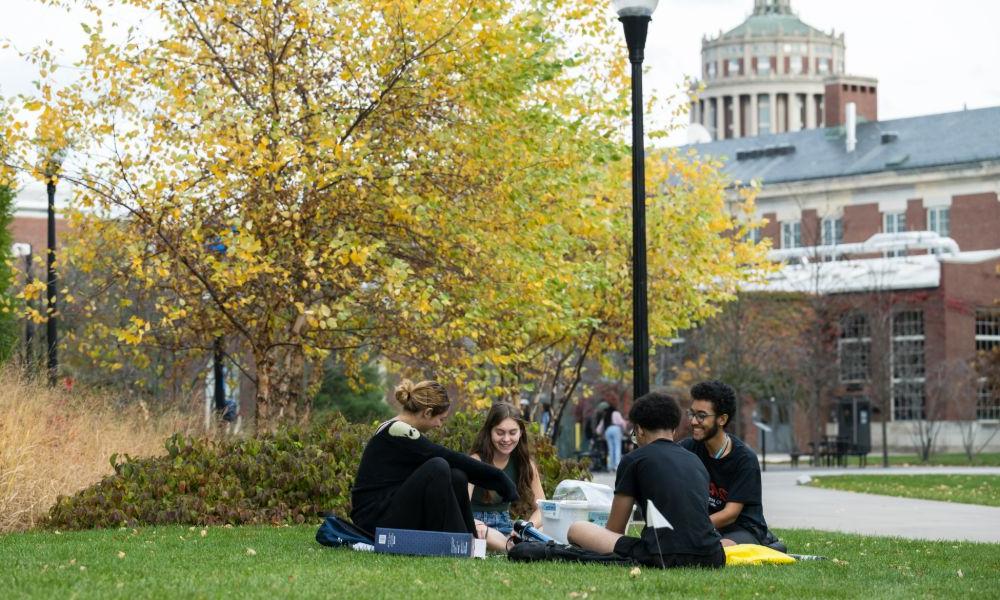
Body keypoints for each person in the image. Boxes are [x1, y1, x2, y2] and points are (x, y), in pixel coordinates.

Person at [567, 391, 725, 569]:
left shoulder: (634, 460)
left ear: (640, 429)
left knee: (577, 528)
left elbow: (615, 529)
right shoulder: (695, 461)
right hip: (712, 555)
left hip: (661, 554)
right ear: (673, 429)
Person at [350, 379, 518, 537]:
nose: (439, 425)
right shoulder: (398, 430)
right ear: (428, 412)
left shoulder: (398, 429)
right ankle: (456, 542)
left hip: (387, 510)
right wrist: (498, 477)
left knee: (457, 476)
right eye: (440, 419)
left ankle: (468, 540)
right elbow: (446, 456)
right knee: (438, 466)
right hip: (372, 522)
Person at [678, 380, 782, 549]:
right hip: (708, 526)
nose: (694, 421)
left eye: (701, 416)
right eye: (692, 414)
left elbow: (730, 514)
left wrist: (691, 528)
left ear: (722, 419)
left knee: (716, 548)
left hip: (742, 527)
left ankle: (767, 543)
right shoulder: (687, 449)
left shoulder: (744, 458)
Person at [468, 402, 547, 551]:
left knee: (544, 530)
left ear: (520, 432)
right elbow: (461, 505)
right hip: (478, 526)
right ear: (489, 432)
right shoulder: (475, 461)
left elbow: (542, 509)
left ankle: (514, 546)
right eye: (500, 432)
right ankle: (513, 549)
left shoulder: (526, 465)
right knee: (483, 533)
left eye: (512, 432)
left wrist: (527, 528)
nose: (506, 439)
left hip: (506, 526)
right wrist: (475, 523)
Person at [596, 401, 626, 471]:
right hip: (616, 429)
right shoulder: (616, 413)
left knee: (611, 449)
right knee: (617, 447)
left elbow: (599, 429)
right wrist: (624, 430)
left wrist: (599, 434)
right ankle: (617, 466)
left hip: (608, 431)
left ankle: (610, 466)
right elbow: (622, 423)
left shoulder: (605, 415)